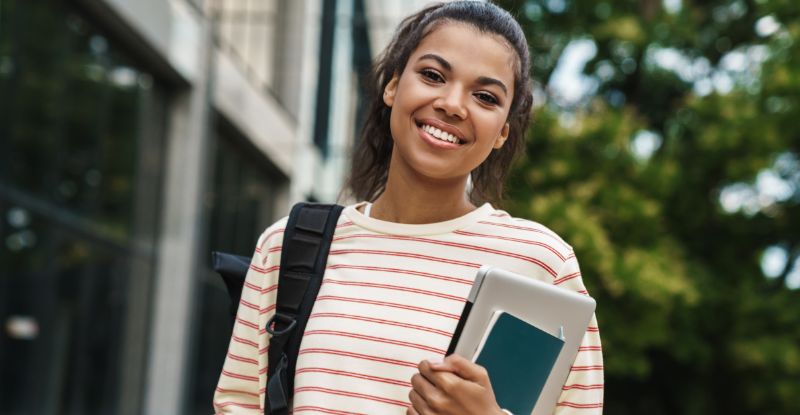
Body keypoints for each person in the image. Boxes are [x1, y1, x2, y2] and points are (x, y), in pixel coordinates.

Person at [213, 2, 603, 414]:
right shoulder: (286, 247)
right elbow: (238, 405)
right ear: (393, 86)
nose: (453, 104)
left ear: (503, 131)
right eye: (433, 75)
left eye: (485, 97)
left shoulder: (542, 265)